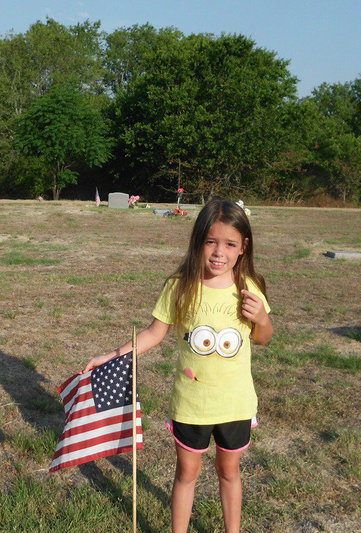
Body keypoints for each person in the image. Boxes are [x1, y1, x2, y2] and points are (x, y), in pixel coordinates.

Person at [84, 198, 273, 533]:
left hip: (235, 405)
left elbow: (263, 337)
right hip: (191, 405)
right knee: (186, 474)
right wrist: (113, 356)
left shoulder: (249, 289)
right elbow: (154, 334)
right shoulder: (179, 287)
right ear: (197, 242)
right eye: (211, 242)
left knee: (229, 472)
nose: (219, 252)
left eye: (229, 244)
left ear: (243, 247)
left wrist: (260, 318)